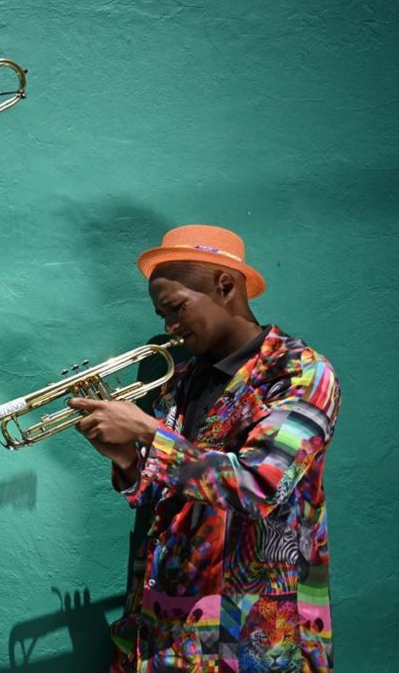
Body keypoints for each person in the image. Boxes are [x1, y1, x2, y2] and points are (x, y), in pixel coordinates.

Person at [69, 225, 340, 672]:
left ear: (226, 286)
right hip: (166, 627)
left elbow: (258, 486)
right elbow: (165, 494)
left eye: (176, 308)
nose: (170, 327)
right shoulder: (183, 379)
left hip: (254, 634)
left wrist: (148, 433)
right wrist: (124, 459)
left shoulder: (302, 373)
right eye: (162, 315)